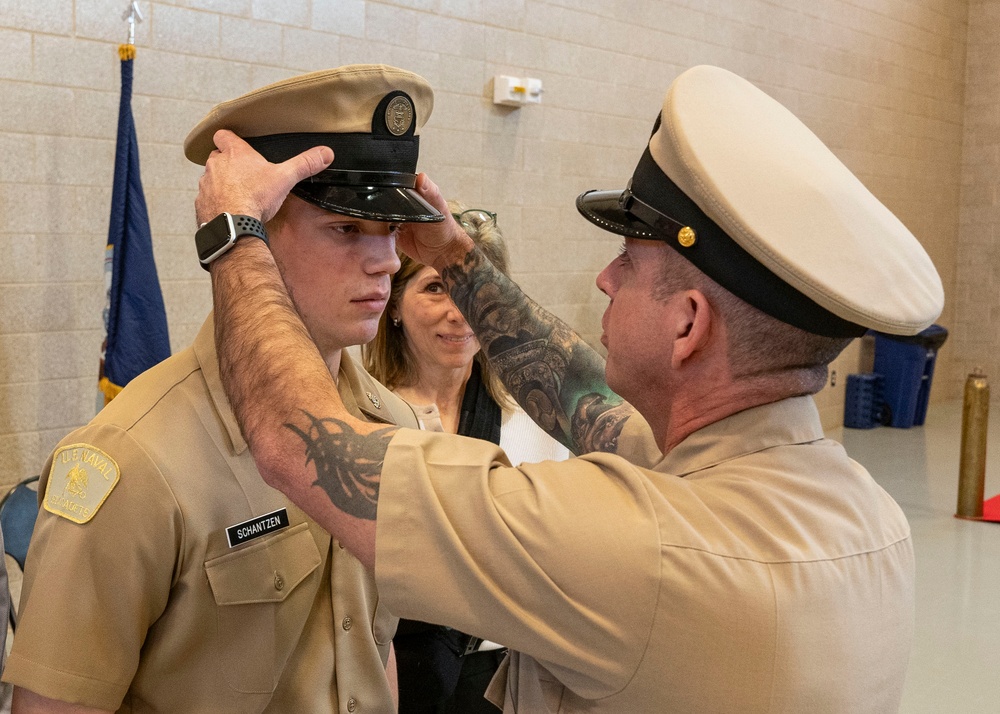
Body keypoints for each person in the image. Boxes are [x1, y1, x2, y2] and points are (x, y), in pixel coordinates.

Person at [195, 65, 944, 713]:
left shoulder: (639, 550)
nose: (604, 278)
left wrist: (235, 235)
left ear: (688, 326)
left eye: (629, 263)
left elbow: (301, 442)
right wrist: (456, 255)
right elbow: (586, 398)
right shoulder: (853, 506)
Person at [1, 64, 439, 713]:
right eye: (345, 230)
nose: (387, 261)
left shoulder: (391, 423)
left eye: (393, 232)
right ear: (255, 230)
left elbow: (373, 646)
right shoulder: (133, 458)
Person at [363, 204, 568, 713]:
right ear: (393, 300)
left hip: (507, 676)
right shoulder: (361, 421)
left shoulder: (537, 424)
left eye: (476, 289)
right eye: (435, 287)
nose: (460, 311)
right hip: (388, 669)